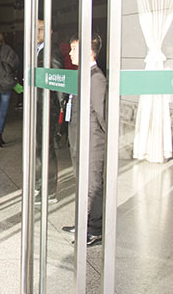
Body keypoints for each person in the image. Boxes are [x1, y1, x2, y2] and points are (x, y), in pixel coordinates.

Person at [62, 33, 106, 247]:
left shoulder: (96, 78)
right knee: (82, 182)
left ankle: (95, 229)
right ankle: (83, 222)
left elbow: (102, 115)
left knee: (93, 184)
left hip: (91, 140)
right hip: (79, 137)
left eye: (74, 49)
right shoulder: (81, 75)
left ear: (88, 51)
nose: (70, 53)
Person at [35, 20, 65, 204]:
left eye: (40, 29)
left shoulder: (52, 52)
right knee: (38, 147)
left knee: (47, 148)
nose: (37, 32)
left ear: (50, 32)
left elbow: (59, 80)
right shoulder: (37, 50)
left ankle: (50, 191)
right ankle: (39, 183)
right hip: (37, 105)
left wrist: (61, 109)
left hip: (48, 107)